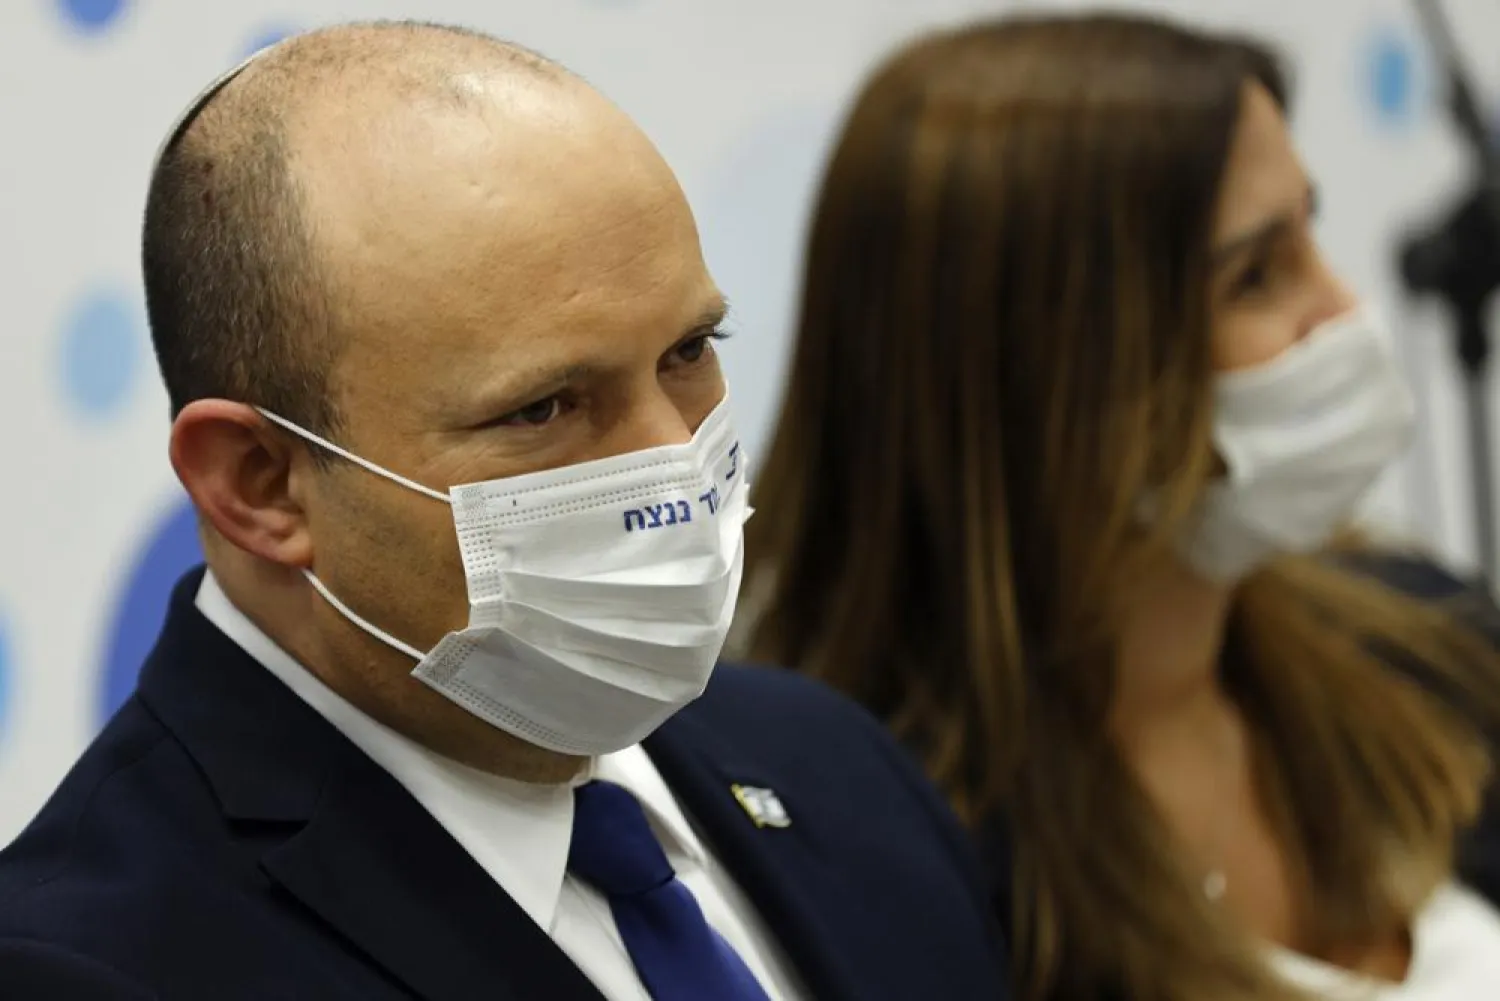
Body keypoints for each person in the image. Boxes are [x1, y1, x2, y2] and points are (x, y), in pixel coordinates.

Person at [0, 22, 1006, 1001]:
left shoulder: (840, 768)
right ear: (259, 481)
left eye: (690, 351)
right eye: (544, 407)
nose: (674, 461)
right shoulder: (90, 962)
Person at [737, 11, 1500, 1001]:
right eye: (1257, 275)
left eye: (1311, 230)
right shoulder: (900, 863)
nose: (1343, 310)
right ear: (1051, 374)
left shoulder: (1420, 635)